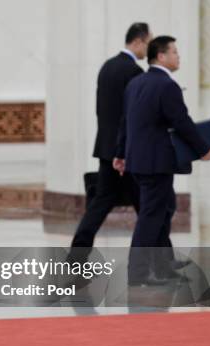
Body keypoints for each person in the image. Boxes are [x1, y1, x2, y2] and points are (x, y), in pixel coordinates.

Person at [114, 36, 210, 285]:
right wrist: (203, 149)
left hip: (139, 160)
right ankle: (137, 273)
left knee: (164, 209)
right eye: (174, 52)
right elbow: (181, 122)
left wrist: (120, 153)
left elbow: (125, 121)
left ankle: (163, 269)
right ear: (161, 56)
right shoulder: (166, 86)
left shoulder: (136, 83)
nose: (178, 56)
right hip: (155, 162)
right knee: (151, 216)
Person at [71, 23, 151, 247]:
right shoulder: (134, 71)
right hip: (125, 153)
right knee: (148, 208)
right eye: (147, 43)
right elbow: (132, 116)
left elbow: (102, 110)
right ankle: (160, 260)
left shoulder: (107, 67)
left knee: (104, 203)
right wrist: (124, 151)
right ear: (137, 41)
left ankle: (76, 257)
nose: (148, 50)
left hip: (107, 147)